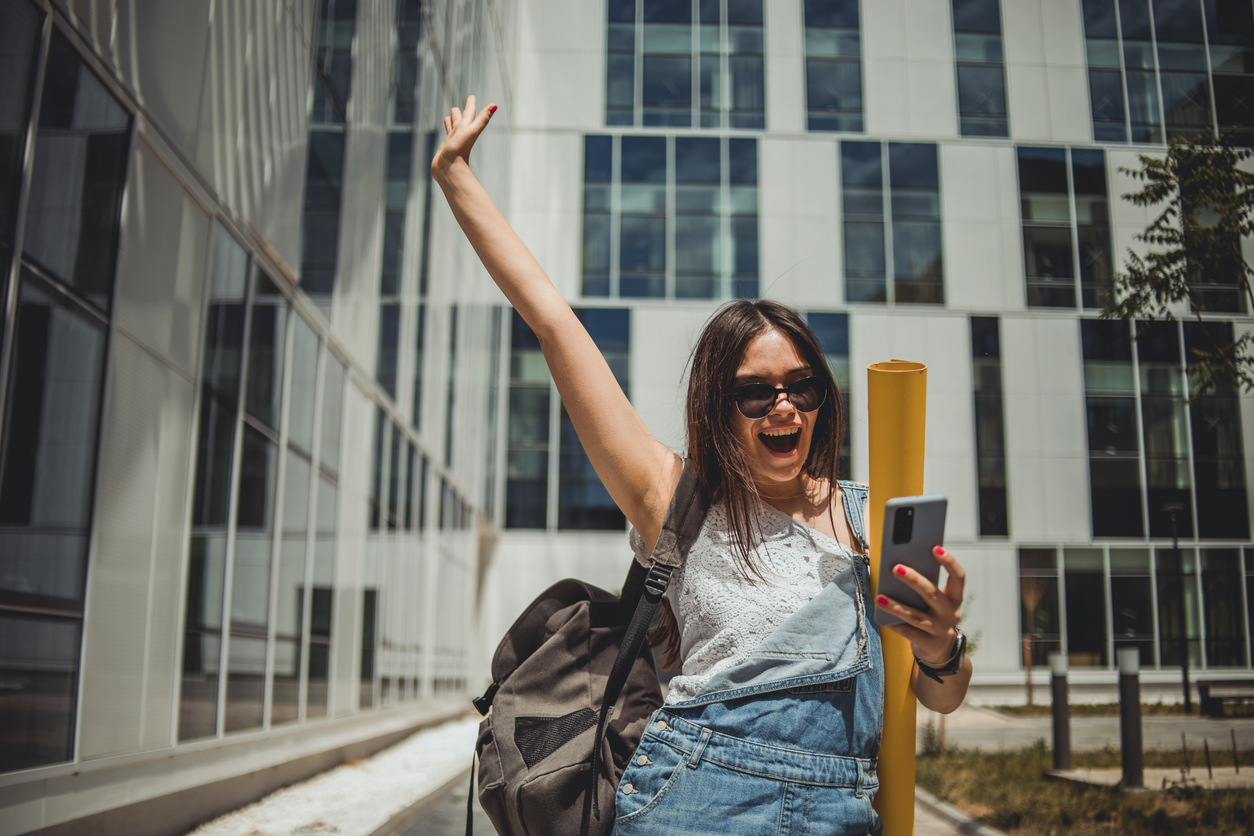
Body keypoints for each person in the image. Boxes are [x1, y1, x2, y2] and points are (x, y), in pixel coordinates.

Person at [432, 96, 972, 835]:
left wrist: (942, 647)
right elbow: (555, 323)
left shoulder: (875, 519)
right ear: (719, 410)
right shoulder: (675, 498)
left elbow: (938, 699)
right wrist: (455, 175)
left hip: (841, 811)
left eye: (801, 386)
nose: (783, 408)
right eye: (754, 393)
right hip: (693, 802)